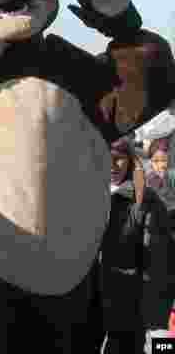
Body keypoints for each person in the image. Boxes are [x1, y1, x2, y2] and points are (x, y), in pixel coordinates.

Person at [85, 136, 171, 353]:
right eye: (106, 158)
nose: (112, 165)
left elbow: (157, 267)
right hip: (84, 312)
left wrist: (156, 329)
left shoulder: (146, 203)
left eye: (119, 158)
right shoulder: (83, 198)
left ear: (130, 160)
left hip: (127, 314)